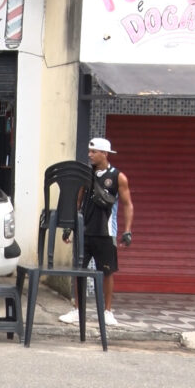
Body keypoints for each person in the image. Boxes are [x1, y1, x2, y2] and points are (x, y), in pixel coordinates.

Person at [59, 137, 134, 326]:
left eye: (94, 152)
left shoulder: (118, 177)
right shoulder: (86, 175)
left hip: (106, 233)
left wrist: (127, 230)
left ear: (105, 154)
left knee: (107, 272)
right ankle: (77, 309)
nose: (90, 155)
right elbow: (78, 202)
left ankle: (107, 311)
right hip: (84, 231)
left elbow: (127, 205)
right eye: (89, 151)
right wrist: (70, 225)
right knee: (79, 270)